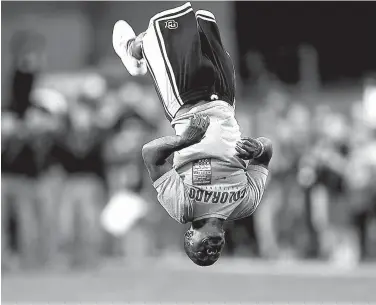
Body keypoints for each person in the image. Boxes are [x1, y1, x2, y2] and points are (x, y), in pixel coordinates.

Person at [112, 2, 273, 266]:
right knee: (203, 26)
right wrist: (257, 149)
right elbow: (266, 153)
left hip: (186, 104)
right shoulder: (245, 205)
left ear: (190, 236)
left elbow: (150, 155)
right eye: (214, 255)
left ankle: (133, 51)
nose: (210, 251)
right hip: (225, 101)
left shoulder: (182, 208)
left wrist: (185, 141)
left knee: (168, 28)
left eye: (200, 252)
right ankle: (145, 50)